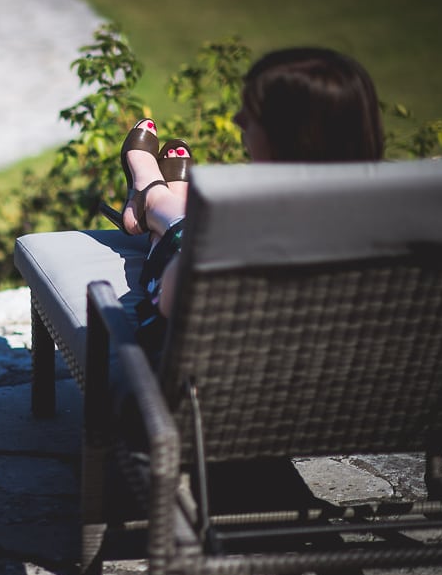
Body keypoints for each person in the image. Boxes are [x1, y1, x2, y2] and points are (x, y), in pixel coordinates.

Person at [113, 47, 385, 350]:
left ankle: (153, 197)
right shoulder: (404, 222)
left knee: (185, 242)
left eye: (252, 114)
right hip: (350, 383)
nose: (238, 119)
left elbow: (171, 299)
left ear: (290, 135)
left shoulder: (250, 225)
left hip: (198, 385)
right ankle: (158, 200)